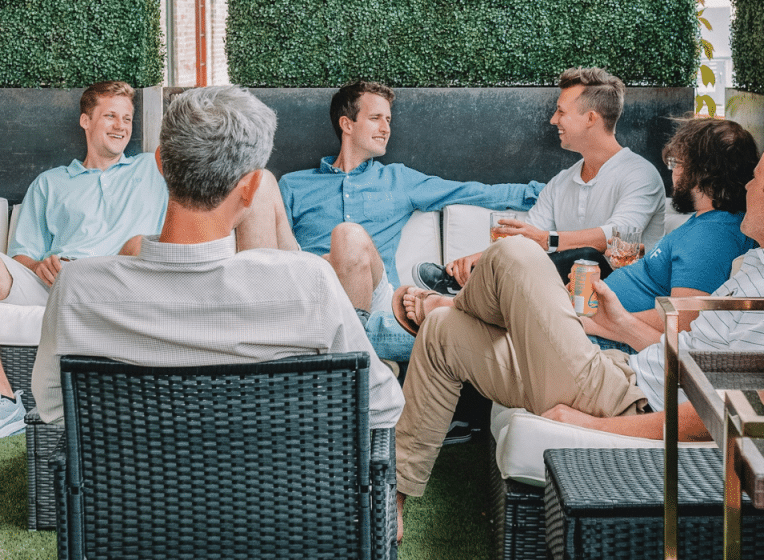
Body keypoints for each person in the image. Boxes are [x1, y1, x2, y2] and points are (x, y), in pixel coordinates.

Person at [393, 130, 764, 540]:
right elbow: (693, 363)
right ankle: (398, 495)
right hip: (623, 373)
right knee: (443, 333)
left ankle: (455, 300)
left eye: (757, 178)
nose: (748, 186)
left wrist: (592, 428)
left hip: (625, 402)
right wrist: (621, 326)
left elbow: (714, 418)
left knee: (515, 254)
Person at [30, 85, 404, 430]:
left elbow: (52, 408)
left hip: (134, 496)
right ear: (251, 189)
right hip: (282, 495)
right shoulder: (311, 285)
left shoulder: (76, 287)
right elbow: (382, 406)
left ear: (160, 164)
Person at [278, 80, 544, 361]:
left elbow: (474, 191)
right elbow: (275, 253)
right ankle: (362, 347)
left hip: (375, 298)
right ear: (347, 124)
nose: (386, 128)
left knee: (348, 235)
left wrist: (549, 193)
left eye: (388, 120)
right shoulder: (294, 185)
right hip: (314, 292)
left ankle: (346, 353)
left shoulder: (398, 179)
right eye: (375, 118)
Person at [413, 67, 666, 293]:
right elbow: (527, 240)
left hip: (622, 292)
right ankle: (468, 284)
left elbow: (619, 236)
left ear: (591, 118)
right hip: (563, 293)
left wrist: (549, 240)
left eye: (560, 111)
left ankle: (475, 290)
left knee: (587, 257)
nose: (553, 120)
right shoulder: (561, 182)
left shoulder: (640, 174)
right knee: (545, 257)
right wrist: (475, 260)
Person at [585, 117, 759, 351]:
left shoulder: (712, 237)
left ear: (702, 171)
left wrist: (598, 318)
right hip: (604, 331)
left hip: (609, 341)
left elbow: (684, 322)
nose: (673, 173)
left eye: (677, 163)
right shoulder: (710, 221)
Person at [0, 81, 168, 307]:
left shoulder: (153, 167)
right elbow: (20, 258)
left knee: (138, 245)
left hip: (123, 284)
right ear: (85, 121)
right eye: (111, 116)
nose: (121, 126)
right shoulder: (49, 183)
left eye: (127, 119)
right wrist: (38, 267)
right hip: (60, 284)